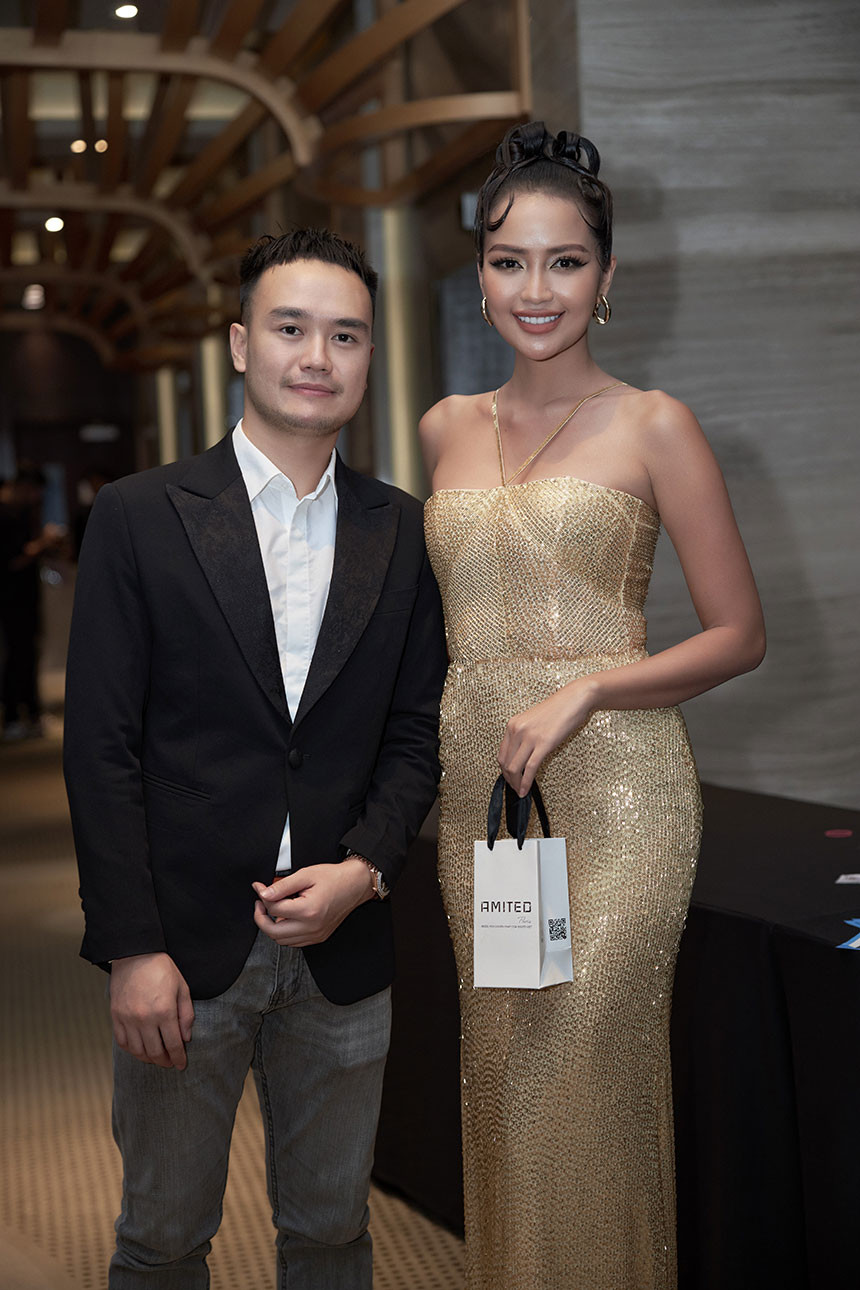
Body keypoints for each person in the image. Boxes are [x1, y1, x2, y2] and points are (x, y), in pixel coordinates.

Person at [64, 228, 447, 1290]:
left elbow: (416, 729)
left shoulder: (403, 531)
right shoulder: (140, 516)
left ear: (368, 356)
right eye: (290, 328)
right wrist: (132, 948)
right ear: (241, 345)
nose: (317, 356)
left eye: (345, 335)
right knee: (162, 1241)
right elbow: (100, 748)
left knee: (332, 1234)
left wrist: (365, 871)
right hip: (182, 948)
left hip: (343, 942)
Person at [420, 122, 765, 1289]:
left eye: (564, 262)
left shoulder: (652, 422)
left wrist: (588, 688)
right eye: (508, 260)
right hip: (483, 806)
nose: (535, 289)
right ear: (479, 275)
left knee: (580, 1073)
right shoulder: (443, 427)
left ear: (605, 277)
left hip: (621, 795)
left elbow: (737, 634)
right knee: (501, 1077)